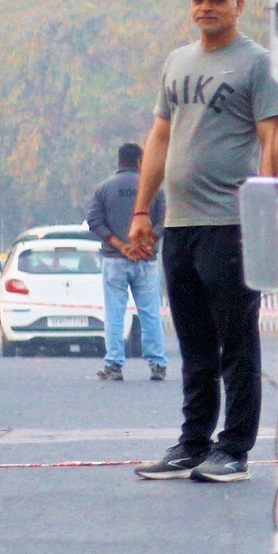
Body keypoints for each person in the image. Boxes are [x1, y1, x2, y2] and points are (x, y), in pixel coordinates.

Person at [127, 0, 278, 483]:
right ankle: (193, 444)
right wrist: (142, 211)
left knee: (236, 343)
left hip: (232, 222)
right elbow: (159, 138)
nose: (205, 7)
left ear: (239, 5)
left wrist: (271, 208)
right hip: (181, 223)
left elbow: (273, 138)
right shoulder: (177, 62)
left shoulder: (259, 63)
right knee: (194, 343)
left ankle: (233, 449)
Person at [86, 141, 168, 384]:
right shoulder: (154, 189)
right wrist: (145, 244)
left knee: (114, 313)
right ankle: (157, 364)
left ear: (119, 161)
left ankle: (114, 365)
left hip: (115, 260)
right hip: (147, 260)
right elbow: (163, 221)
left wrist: (122, 246)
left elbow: (94, 222)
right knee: (150, 313)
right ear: (140, 162)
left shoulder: (104, 189)